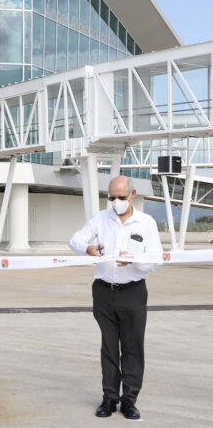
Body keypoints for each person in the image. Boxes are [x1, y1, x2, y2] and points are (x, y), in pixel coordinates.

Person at [69, 175, 161, 420]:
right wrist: (87, 248)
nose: (116, 202)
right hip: (103, 292)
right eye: (111, 197)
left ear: (132, 194)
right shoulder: (101, 218)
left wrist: (134, 261)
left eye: (121, 197)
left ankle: (129, 400)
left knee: (132, 348)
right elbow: (75, 240)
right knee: (109, 348)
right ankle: (109, 398)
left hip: (133, 291)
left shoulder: (146, 222)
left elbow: (155, 259)